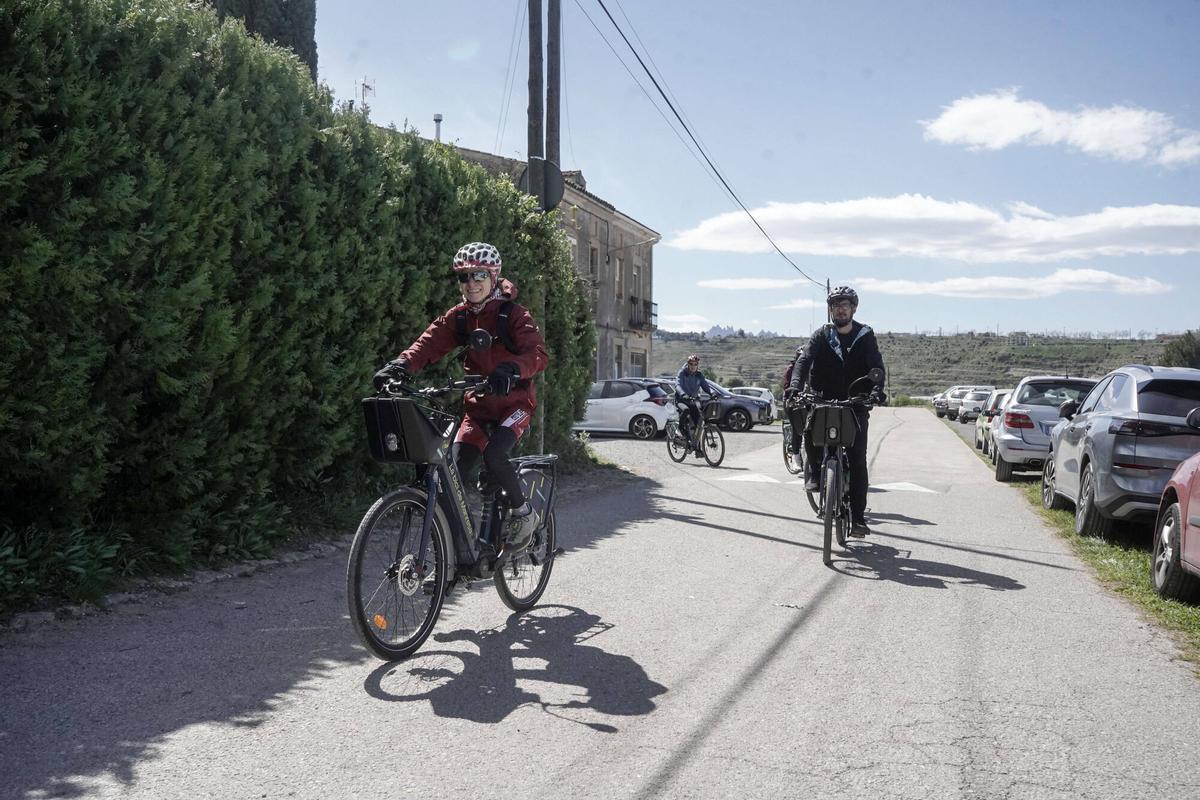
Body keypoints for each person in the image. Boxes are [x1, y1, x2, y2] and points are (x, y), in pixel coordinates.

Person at [373, 242, 549, 550]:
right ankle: (449, 558)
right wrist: (399, 366)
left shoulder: (514, 315)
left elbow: (537, 354)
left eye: (479, 274)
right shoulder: (460, 317)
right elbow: (428, 343)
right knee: (449, 475)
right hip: (478, 409)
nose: (471, 283)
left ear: (494, 276)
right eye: (464, 276)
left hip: (515, 405)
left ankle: (524, 513)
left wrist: (511, 370)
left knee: (495, 456)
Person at [786, 286, 886, 537]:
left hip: (856, 402)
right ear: (830, 310)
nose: (840, 309)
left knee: (857, 459)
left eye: (845, 305)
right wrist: (795, 387)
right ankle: (815, 474)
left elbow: (876, 366)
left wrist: (876, 390)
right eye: (835, 305)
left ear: (854, 308)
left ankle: (859, 519)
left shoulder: (865, 335)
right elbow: (804, 361)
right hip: (823, 398)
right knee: (810, 431)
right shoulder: (822, 334)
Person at [675, 354, 717, 450]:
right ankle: (680, 429)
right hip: (681, 399)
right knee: (685, 410)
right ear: (688, 364)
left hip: (692, 400)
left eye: (695, 364)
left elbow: (706, 386)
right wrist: (682, 394)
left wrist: (712, 393)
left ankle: (696, 447)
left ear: (697, 365)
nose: (693, 366)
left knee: (697, 424)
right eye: (691, 364)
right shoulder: (682, 373)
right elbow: (677, 384)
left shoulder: (699, 375)